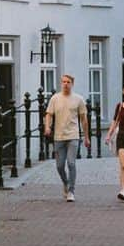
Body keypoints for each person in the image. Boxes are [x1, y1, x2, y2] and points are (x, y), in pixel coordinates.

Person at [43, 74, 90, 202]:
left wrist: (86, 137)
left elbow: (84, 120)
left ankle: (71, 191)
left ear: (72, 84)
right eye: (63, 82)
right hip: (58, 136)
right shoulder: (55, 98)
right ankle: (66, 183)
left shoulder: (78, 99)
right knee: (59, 165)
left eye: (68, 82)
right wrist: (47, 127)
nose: (65, 84)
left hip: (73, 136)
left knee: (71, 163)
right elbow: (49, 114)